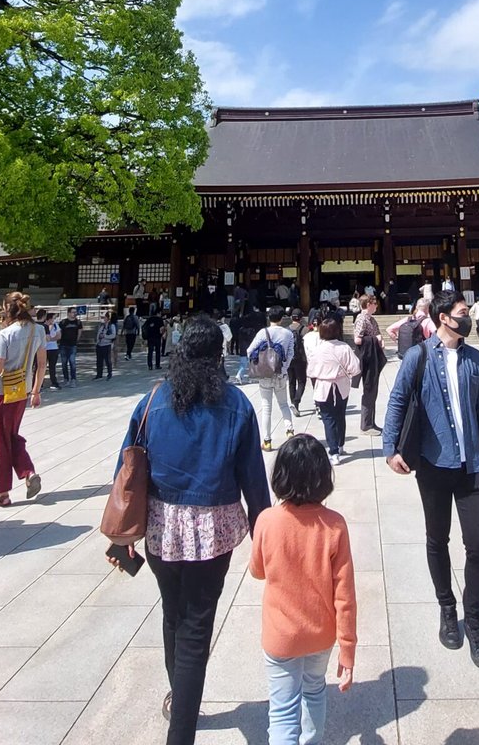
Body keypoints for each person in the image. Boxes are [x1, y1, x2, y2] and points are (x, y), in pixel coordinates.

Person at [119, 313, 270, 743]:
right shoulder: (237, 404)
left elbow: (127, 469)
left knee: (174, 613)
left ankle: (179, 697)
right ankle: (181, 729)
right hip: (212, 528)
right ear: (219, 356)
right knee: (196, 626)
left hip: (160, 525)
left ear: (181, 352)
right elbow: (252, 476)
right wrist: (264, 529)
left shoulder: (152, 400)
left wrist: (123, 536)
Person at [380, 291, 479, 669]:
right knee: (437, 538)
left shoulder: (475, 359)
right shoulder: (419, 356)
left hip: (471, 464)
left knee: (478, 544)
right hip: (433, 462)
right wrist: (390, 448)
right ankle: (448, 607)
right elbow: (398, 400)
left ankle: (474, 619)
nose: (468, 318)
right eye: (463, 313)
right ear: (444, 317)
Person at [249, 434, 356, 745]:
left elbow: (258, 570)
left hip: (280, 635)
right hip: (321, 634)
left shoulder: (267, 520)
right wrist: (347, 649)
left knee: (282, 709)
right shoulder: (335, 525)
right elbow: (345, 596)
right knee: (314, 690)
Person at [0, 292, 45, 508]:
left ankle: (1, 492)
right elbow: (42, 364)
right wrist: (36, 391)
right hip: (22, 390)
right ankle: (27, 472)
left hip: (3, 392)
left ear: (6, 309)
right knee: (10, 435)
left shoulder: (5, 334)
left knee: (0, 440)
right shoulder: (38, 330)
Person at [307, 313, 360, 462]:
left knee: (328, 418)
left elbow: (310, 371)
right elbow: (355, 368)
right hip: (341, 386)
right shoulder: (344, 347)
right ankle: (340, 444)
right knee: (340, 415)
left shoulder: (317, 349)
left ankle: (334, 451)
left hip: (324, 386)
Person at [249, 307, 296, 450]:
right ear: (282, 318)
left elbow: (249, 350)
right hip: (280, 374)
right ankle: (289, 430)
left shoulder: (262, 333)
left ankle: (267, 440)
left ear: (269, 318)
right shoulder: (288, 333)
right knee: (284, 404)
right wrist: (284, 368)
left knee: (266, 408)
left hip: (265, 375)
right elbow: (290, 353)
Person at [352, 293, 387, 433]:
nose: (376, 306)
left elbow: (377, 333)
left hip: (374, 356)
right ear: (368, 304)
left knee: (373, 390)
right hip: (367, 357)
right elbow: (357, 339)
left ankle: (371, 422)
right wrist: (375, 340)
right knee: (369, 390)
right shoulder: (361, 318)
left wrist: (379, 339)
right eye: (374, 303)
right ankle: (366, 424)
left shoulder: (371, 319)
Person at [57, 306, 82, 385]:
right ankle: (66, 378)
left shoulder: (78, 322)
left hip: (73, 345)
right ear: (68, 313)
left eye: (75, 312)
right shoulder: (63, 322)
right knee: (64, 363)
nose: (74, 314)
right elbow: (59, 332)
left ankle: (73, 379)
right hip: (63, 344)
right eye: (73, 312)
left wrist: (76, 340)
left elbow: (80, 332)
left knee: (72, 362)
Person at [95, 311, 117, 379]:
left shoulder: (111, 326)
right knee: (99, 361)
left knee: (107, 360)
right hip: (99, 345)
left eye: (104, 317)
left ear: (108, 318)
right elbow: (98, 334)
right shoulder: (102, 326)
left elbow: (113, 335)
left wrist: (104, 336)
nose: (103, 319)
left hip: (106, 345)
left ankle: (109, 373)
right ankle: (99, 374)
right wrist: (97, 342)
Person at [144, 306, 167, 371]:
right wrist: (162, 335)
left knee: (150, 352)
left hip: (150, 337)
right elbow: (162, 329)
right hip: (157, 337)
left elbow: (145, 327)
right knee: (158, 351)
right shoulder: (160, 320)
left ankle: (150, 365)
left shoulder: (149, 319)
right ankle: (157, 365)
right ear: (159, 313)